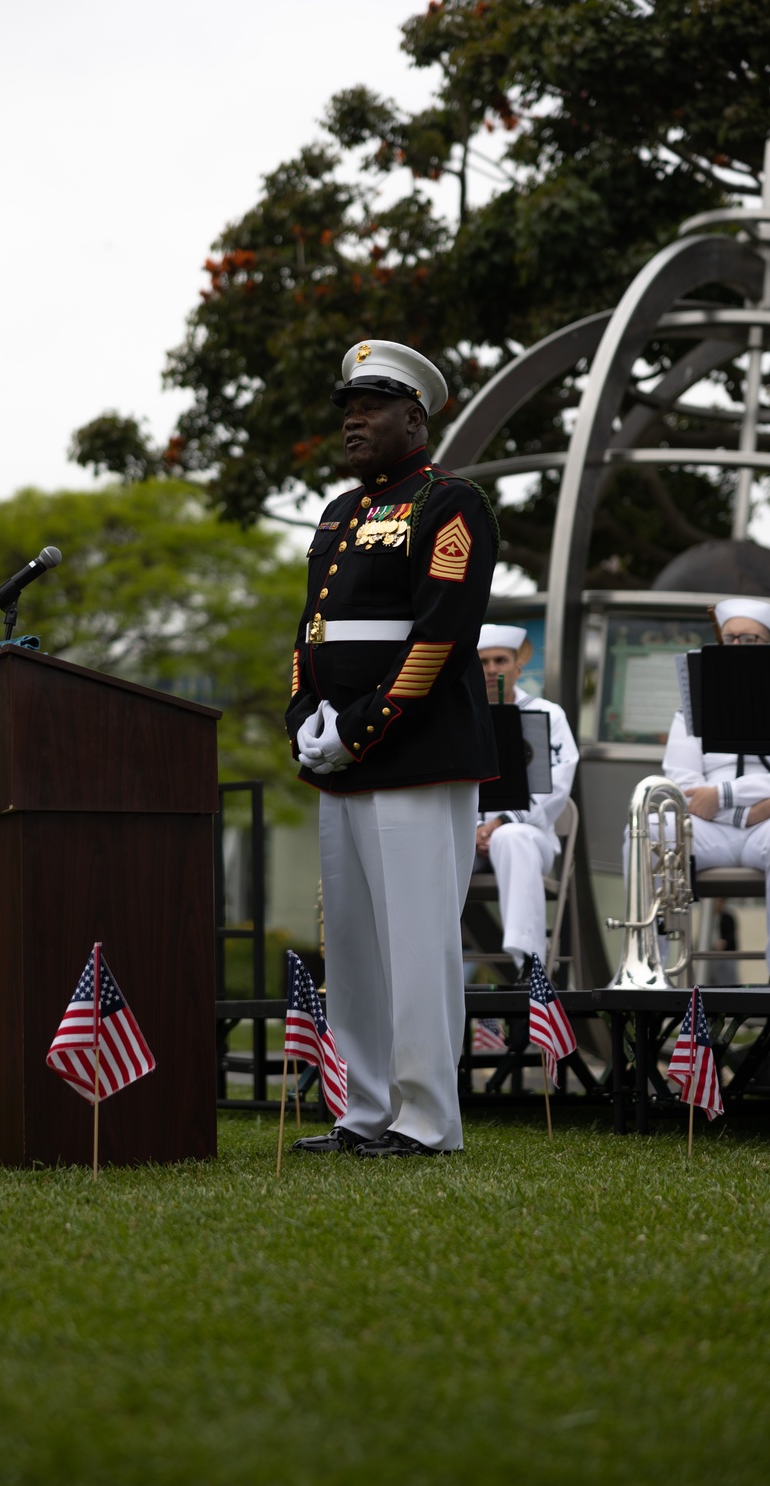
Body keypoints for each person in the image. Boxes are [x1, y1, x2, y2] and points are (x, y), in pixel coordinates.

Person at [285, 338, 499, 1158]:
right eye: (347, 407)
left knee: (415, 940)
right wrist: (305, 714)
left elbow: (442, 633)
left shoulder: (451, 504)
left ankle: (426, 1119)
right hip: (341, 756)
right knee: (356, 945)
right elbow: (310, 630)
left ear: (415, 415)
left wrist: (359, 725)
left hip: (415, 750)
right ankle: (364, 1109)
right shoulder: (339, 512)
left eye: (370, 406)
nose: (353, 420)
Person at [641, 596, 770, 967]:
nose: (737, 648)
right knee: (651, 829)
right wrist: (744, 811)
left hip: (763, 825)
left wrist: (727, 795)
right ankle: (655, 968)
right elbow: (684, 785)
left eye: (749, 640)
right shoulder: (693, 703)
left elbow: (712, 795)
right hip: (712, 825)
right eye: (730, 639)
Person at [473, 624, 580, 977]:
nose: (491, 669)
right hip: (467, 838)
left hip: (528, 835)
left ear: (518, 666)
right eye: (483, 661)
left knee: (511, 837)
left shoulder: (548, 714)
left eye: (500, 660)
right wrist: (472, 828)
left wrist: (501, 821)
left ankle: (529, 964)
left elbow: (558, 784)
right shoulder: (458, 718)